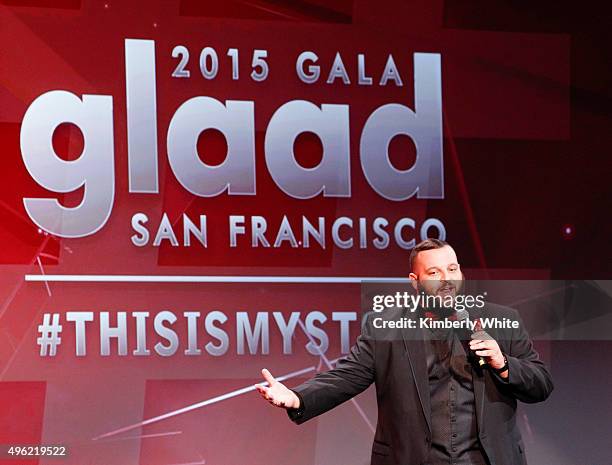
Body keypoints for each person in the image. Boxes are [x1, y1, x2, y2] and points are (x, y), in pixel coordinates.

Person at [255, 239, 553, 465]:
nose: (446, 279)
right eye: (434, 272)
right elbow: (348, 375)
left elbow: (541, 383)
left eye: (452, 269)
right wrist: (297, 397)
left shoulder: (501, 320)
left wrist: (503, 364)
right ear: (416, 282)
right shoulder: (386, 327)